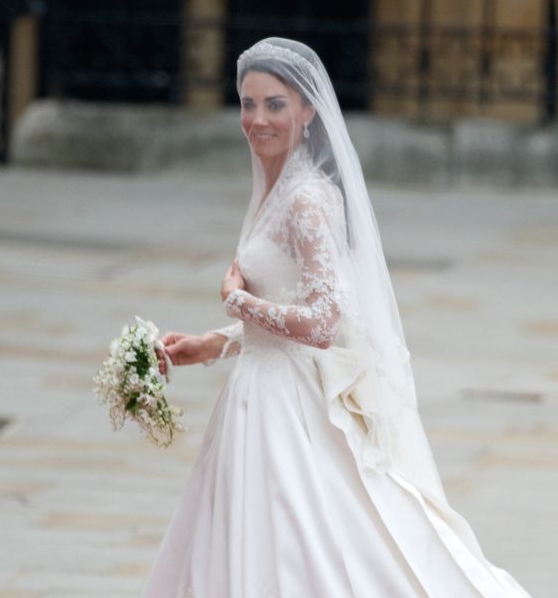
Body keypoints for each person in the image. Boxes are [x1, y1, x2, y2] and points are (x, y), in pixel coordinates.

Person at [140, 37, 533, 597]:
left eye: (274, 104)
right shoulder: (274, 189)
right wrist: (214, 343)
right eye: (247, 104)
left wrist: (237, 300)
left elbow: (324, 322)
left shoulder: (306, 199)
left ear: (307, 111)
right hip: (258, 391)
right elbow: (286, 312)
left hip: (289, 405)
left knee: (305, 536)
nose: (256, 119)